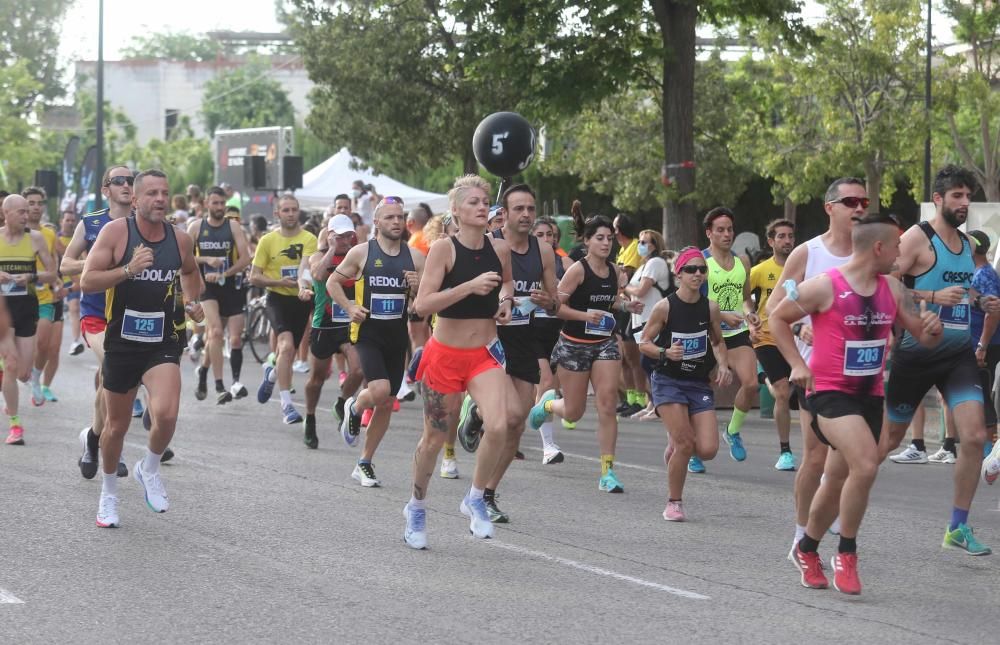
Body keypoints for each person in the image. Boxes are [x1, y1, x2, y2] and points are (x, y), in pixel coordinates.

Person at [772, 213, 943, 595]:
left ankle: (807, 547)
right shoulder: (823, 286)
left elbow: (922, 336)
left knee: (836, 480)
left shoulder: (894, 290)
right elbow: (777, 317)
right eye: (897, 246)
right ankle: (846, 554)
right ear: (878, 247)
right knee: (865, 464)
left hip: (870, 396)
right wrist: (797, 364)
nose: (902, 253)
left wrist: (933, 329)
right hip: (827, 393)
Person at [882, 165, 1000, 556]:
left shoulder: (967, 245)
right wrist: (931, 299)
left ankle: (958, 526)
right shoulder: (916, 238)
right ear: (938, 199)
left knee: (974, 436)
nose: (965, 204)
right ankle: (834, 500)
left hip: (958, 355)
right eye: (958, 197)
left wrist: (979, 301)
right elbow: (886, 280)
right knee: (887, 441)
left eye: (968, 197)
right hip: (916, 353)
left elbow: (961, 292)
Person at [80, 169, 205, 528]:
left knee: (166, 414)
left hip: (162, 340)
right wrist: (127, 270)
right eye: (151, 193)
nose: (160, 199)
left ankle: (148, 469)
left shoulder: (179, 239)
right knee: (116, 428)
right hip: (122, 340)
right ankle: (108, 494)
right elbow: (87, 280)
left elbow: (191, 273)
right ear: (134, 200)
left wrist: (193, 303)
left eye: (164, 193)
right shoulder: (116, 233)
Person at [403, 175, 514, 549]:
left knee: (500, 425)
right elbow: (422, 305)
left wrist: (505, 303)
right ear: (456, 210)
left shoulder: (499, 250)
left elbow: (507, 285)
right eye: (474, 202)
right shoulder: (443, 250)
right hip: (444, 356)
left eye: (485, 201)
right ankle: (417, 506)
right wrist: (468, 287)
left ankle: (475, 497)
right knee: (433, 440)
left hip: (484, 353)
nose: (482, 207)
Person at [767, 177, 861, 558]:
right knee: (816, 455)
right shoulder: (807, 253)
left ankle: (827, 513)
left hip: (858, 372)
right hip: (816, 370)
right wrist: (801, 325)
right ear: (830, 207)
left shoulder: (868, 253)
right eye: (850, 201)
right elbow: (775, 308)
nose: (858, 208)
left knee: (854, 458)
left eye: (863, 202)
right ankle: (801, 531)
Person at [455, 184, 560, 521]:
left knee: (517, 426)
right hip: (491, 337)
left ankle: (486, 493)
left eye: (531, 208)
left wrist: (548, 301)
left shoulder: (543, 251)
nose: (527, 215)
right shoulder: (488, 245)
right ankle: (478, 412)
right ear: (505, 213)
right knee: (512, 414)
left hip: (525, 335)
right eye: (520, 209)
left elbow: (556, 302)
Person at [528, 216, 644, 493]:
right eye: (599, 238)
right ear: (588, 241)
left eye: (609, 238)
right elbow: (556, 307)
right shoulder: (577, 271)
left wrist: (628, 306)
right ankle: (547, 405)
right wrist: (585, 316)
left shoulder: (615, 271)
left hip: (604, 343)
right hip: (573, 344)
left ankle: (607, 472)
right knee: (574, 411)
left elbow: (609, 300)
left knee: (606, 405)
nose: (606, 243)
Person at [330, 196, 423, 486]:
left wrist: (416, 290)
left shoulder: (416, 258)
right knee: (379, 390)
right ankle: (355, 406)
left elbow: (421, 307)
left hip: (397, 336)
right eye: (389, 217)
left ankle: (364, 462)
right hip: (367, 334)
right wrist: (349, 307)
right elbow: (333, 282)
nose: (396, 222)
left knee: (385, 402)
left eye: (400, 217)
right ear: (377, 222)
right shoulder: (362, 253)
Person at [638, 247, 731, 521]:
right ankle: (674, 502)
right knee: (685, 444)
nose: (698, 274)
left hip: (698, 382)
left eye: (702, 269)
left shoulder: (710, 307)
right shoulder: (665, 307)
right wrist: (665, 353)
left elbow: (716, 341)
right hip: (668, 380)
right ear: (678, 274)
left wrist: (723, 365)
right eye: (691, 269)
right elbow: (644, 344)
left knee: (708, 449)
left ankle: (675, 442)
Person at [62, 165, 143, 477]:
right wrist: (95, 263)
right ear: (105, 190)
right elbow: (65, 265)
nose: (126, 184)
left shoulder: (145, 223)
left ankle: (94, 437)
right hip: (96, 316)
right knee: (114, 363)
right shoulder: (91, 223)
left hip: (132, 317)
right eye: (118, 180)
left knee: (114, 378)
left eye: (130, 180)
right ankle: (113, 445)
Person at [298, 214, 365, 449]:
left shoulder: (357, 255)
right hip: (324, 324)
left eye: (349, 235)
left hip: (350, 323)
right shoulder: (319, 256)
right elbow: (316, 274)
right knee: (316, 379)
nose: (346, 240)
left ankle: (342, 402)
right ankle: (310, 417)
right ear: (330, 235)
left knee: (358, 369)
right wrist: (331, 249)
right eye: (341, 235)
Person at [697, 207, 756, 471]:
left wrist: (750, 314)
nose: (726, 234)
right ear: (709, 233)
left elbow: (745, 299)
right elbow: (693, 302)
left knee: (752, 383)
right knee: (699, 393)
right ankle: (693, 449)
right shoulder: (701, 262)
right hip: (706, 334)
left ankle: (732, 431)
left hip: (736, 333)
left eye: (730, 229)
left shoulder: (742, 261)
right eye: (720, 230)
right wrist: (720, 316)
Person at [251, 195, 318, 424]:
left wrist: (302, 285)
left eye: (294, 209)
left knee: (286, 355)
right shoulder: (267, 240)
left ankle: (271, 374)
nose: (291, 213)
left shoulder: (309, 238)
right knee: (287, 347)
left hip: (301, 300)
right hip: (277, 299)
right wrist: (280, 283)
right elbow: (254, 277)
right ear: (277, 214)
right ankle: (286, 406)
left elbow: (305, 267)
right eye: (286, 210)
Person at [0, 194, 57, 444]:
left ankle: (9, 384)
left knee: (23, 371)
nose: (27, 215)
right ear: (6, 213)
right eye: (21, 211)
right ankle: (15, 426)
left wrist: (30, 278)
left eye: (27, 211)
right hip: (2, 309)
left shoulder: (35, 239)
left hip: (26, 307)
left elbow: (52, 273)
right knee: (11, 364)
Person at [188, 186, 252, 404]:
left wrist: (225, 272)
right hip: (208, 289)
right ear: (206, 204)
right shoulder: (196, 227)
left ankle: (204, 372)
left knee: (234, 338)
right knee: (215, 333)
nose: (219, 208)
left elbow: (246, 258)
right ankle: (219, 385)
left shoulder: (233, 226)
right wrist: (206, 260)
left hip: (232, 287)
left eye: (222, 204)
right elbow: (183, 257)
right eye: (215, 203)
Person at [749, 219, 798, 470]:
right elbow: (743, 297)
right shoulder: (759, 271)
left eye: (790, 236)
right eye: (781, 236)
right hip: (766, 337)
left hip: (797, 338)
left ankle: (763, 377)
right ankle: (785, 451)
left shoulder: (804, 268)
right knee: (781, 392)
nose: (787, 240)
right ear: (771, 242)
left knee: (794, 392)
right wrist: (750, 322)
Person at [531, 216, 575, 443]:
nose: (546, 239)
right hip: (530, 332)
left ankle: (533, 413)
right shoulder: (522, 260)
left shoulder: (565, 263)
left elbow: (575, 295)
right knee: (546, 382)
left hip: (557, 332)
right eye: (540, 235)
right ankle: (548, 445)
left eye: (550, 235)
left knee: (548, 386)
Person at [622, 229, 673, 419]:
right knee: (645, 363)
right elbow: (634, 292)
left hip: (653, 319)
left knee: (650, 362)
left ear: (655, 245)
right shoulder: (642, 266)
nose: (640, 246)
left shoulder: (655, 263)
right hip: (640, 320)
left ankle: (660, 403)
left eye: (645, 242)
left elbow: (641, 290)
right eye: (640, 242)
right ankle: (652, 403)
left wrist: (624, 285)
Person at [22, 186, 64, 406]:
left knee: (44, 345)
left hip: (44, 296)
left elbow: (55, 265)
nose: (36, 207)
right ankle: (23, 374)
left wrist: (58, 282)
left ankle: (36, 377)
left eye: (40, 203)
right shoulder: (10, 233)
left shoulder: (48, 234)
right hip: (17, 297)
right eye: (31, 203)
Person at [61, 208, 85, 357]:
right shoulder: (55, 239)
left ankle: (76, 341)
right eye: (67, 220)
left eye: (72, 220)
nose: (70, 223)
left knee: (75, 308)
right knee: (74, 307)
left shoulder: (81, 237)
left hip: (80, 279)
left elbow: (87, 257)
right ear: (61, 221)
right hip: (63, 280)